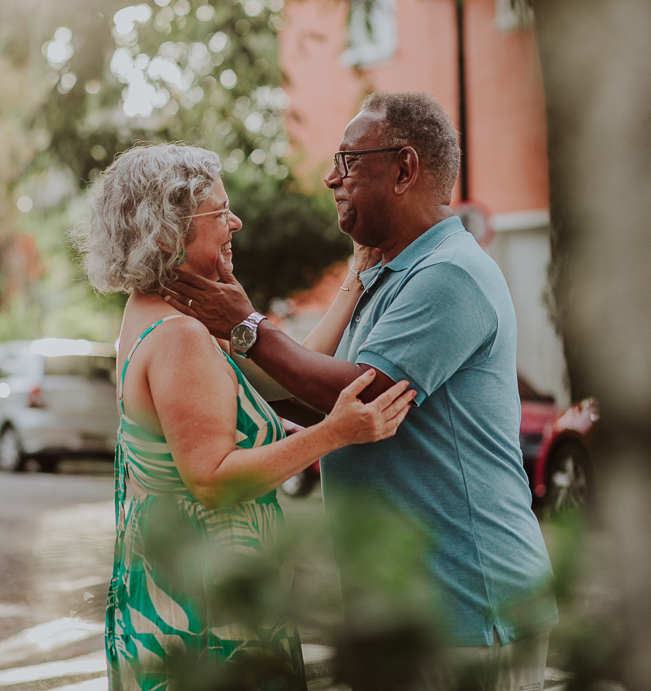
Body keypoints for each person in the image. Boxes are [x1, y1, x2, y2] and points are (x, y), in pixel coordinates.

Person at [165, 93, 560, 690]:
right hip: (404, 606)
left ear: (404, 169)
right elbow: (326, 396)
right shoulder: (389, 271)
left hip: (468, 605)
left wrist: (248, 327)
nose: (331, 178)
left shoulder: (449, 273)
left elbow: (364, 393)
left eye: (348, 161)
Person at [79, 143, 414, 691]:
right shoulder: (181, 337)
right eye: (219, 213)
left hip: (170, 590)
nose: (235, 222)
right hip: (208, 613)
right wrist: (335, 433)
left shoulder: (154, 312)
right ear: (167, 234)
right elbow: (211, 481)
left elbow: (278, 374)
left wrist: (354, 279)